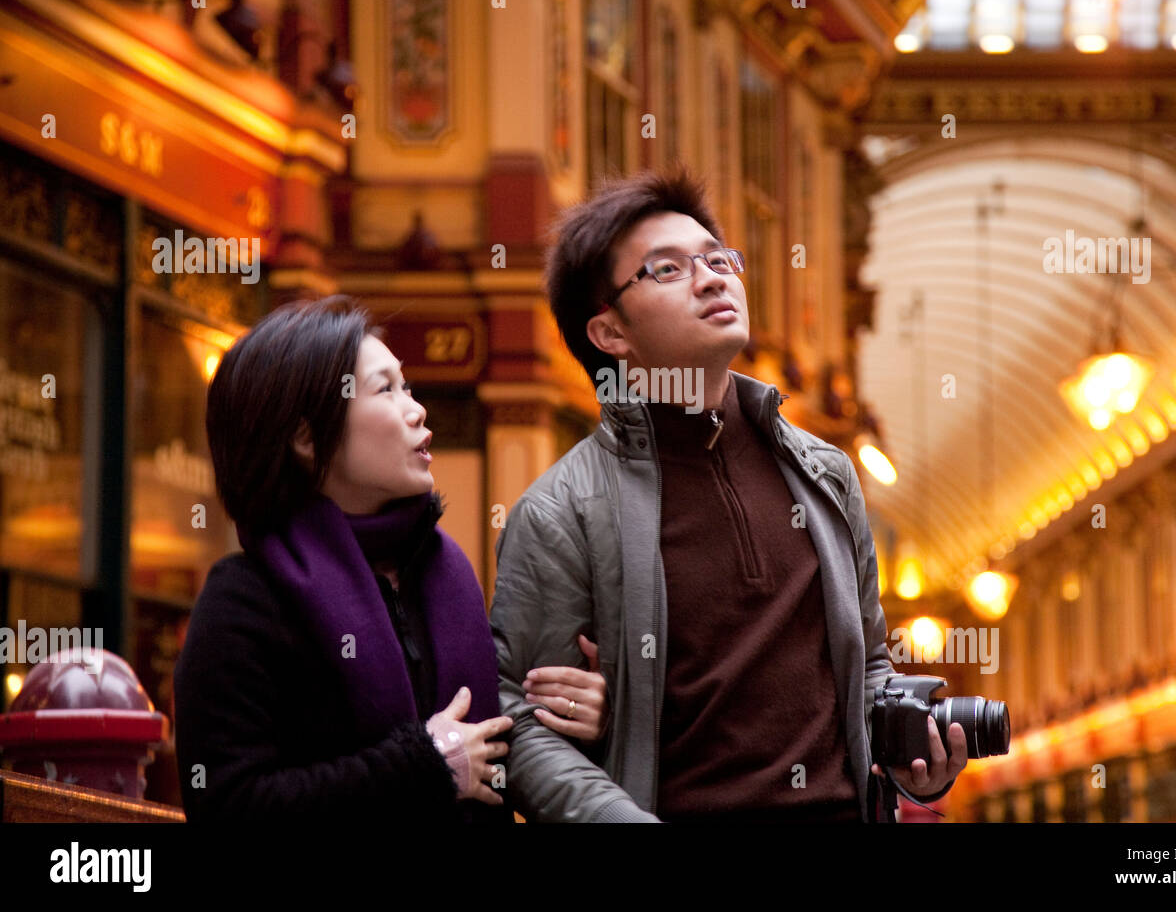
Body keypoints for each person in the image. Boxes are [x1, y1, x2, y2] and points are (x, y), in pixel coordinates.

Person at [490, 166, 967, 822]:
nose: (713, 277)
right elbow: (520, 716)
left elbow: (870, 670)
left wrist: (920, 761)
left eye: (718, 259)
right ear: (610, 335)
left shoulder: (825, 475)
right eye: (666, 269)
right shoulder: (562, 512)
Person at [174, 296, 607, 821]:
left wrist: (581, 719)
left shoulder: (445, 573)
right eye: (385, 390)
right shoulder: (246, 599)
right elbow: (227, 804)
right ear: (307, 438)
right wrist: (421, 767)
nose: (416, 409)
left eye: (408, 387)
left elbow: (494, 757)